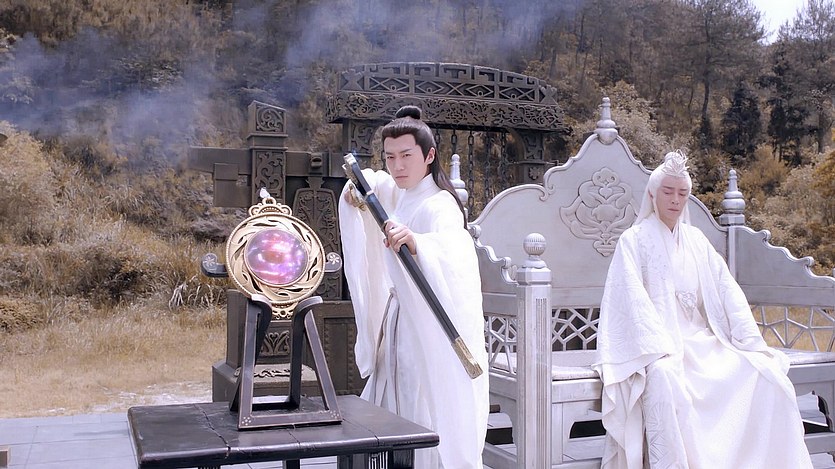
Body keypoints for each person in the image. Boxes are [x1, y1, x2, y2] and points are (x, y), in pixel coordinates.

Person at [593, 150, 813, 469]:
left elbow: (727, 291)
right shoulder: (633, 240)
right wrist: (658, 349)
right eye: (668, 192)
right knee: (666, 378)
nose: (675, 200)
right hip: (658, 346)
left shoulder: (696, 240)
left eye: (682, 193)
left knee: (764, 374)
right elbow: (629, 301)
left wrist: (751, 341)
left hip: (699, 341)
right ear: (652, 194)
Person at [338, 105, 489, 468]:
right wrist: (356, 191)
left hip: (425, 328)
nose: (398, 166)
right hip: (397, 320)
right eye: (390, 157)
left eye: (406, 156)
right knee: (393, 395)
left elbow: (455, 249)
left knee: (418, 398)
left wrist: (420, 243)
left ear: (429, 156)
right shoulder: (402, 192)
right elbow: (375, 183)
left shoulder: (440, 204)